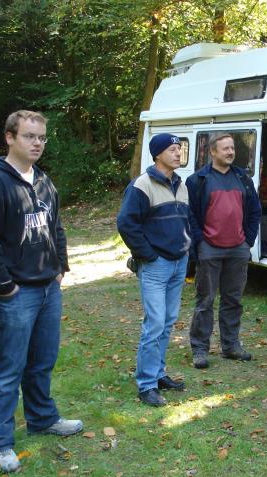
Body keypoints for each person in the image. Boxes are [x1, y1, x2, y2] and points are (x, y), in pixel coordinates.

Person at [0, 110, 83, 473]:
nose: (37, 143)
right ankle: (0, 442)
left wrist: (60, 267)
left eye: (42, 138)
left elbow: (56, 227)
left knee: (42, 362)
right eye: (30, 136)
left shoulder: (44, 181)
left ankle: (42, 418)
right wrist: (4, 286)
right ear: (10, 137)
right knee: (8, 368)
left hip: (48, 288)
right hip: (14, 295)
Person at [117, 133, 191, 407]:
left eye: (179, 149)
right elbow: (126, 223)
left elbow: (187, 221)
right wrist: (147, 254)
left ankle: (159, 375)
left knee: (168, 321)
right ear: (158, 154)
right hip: (156, 265)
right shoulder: (142, 185)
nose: (178, 153)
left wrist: (187, 248)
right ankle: (146, 384)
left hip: (179, 262)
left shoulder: (181, 185)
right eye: (173, 149)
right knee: (155, 323)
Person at [186, 132, 261, 369]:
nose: (230, 152)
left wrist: (247, 241)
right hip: (209, 248)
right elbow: (190, 216)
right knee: (205, 301)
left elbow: (255, 211)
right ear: (213, 152)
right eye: (225, 149)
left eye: (232, 148)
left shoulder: (243, 179)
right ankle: (200, 350)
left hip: (238, 249)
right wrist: (200, 242)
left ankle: (231, 346)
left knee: (233, 300)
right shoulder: (198, 180)